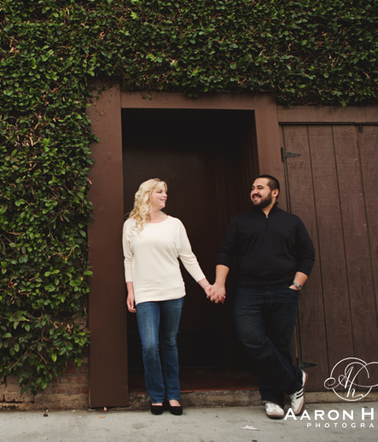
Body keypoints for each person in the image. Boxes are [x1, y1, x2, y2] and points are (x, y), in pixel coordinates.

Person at [209, 175, 315, 419]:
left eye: (260, 187)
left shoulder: (292, 221)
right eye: (252, 188)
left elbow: (307, 254)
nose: (254, 191)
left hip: (283, 291)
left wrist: (296, 285)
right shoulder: (240, 221)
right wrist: (219, 284)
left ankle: (273, 399)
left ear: (274, 192)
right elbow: (226, 253)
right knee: (252, 338)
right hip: (249, 291)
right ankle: (295, 380)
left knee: (279, 345)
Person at [123, 178, 213, 416]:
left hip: (172, 291)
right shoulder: (131, 225)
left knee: (169, 342)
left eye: (165, 192)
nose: (165, 195)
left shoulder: (175, 224)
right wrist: (131, 290)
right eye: (160, 192)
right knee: (150, 346)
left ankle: (173, 395)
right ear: (147, 195)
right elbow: (128, 259)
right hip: (145, 293)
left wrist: (206, 285)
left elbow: (188, 257)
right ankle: (156, 395)